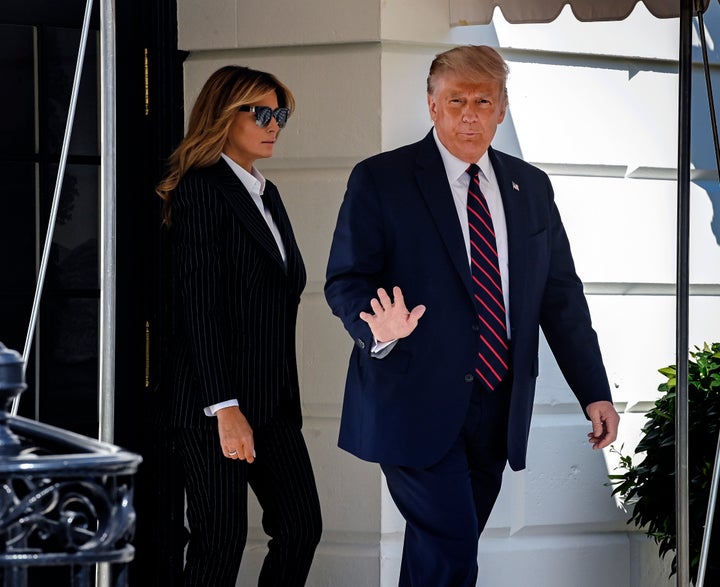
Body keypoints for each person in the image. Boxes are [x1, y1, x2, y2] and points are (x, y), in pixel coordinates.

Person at [325, 45, 620, 587]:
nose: (469, 113)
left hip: (497, 404)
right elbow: (346, 278)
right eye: (456, 100)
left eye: (483, 101)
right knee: (452, 548)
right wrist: (376, 327)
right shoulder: (381, 180)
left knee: (439, 555)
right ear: (432, 105)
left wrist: (593, 391)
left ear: (502, 109)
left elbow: (560, 297)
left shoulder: (530, 188)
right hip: (412, 399)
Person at [156, 65, 322, 587]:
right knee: (220, 543)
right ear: (225, 116)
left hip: (271, 404)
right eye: (262, 113)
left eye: (281, 114)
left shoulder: (266, 195)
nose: (274, 124)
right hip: (215, 405)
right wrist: (225, 408)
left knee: (300, 529)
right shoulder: (202, 190)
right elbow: (197, 307)